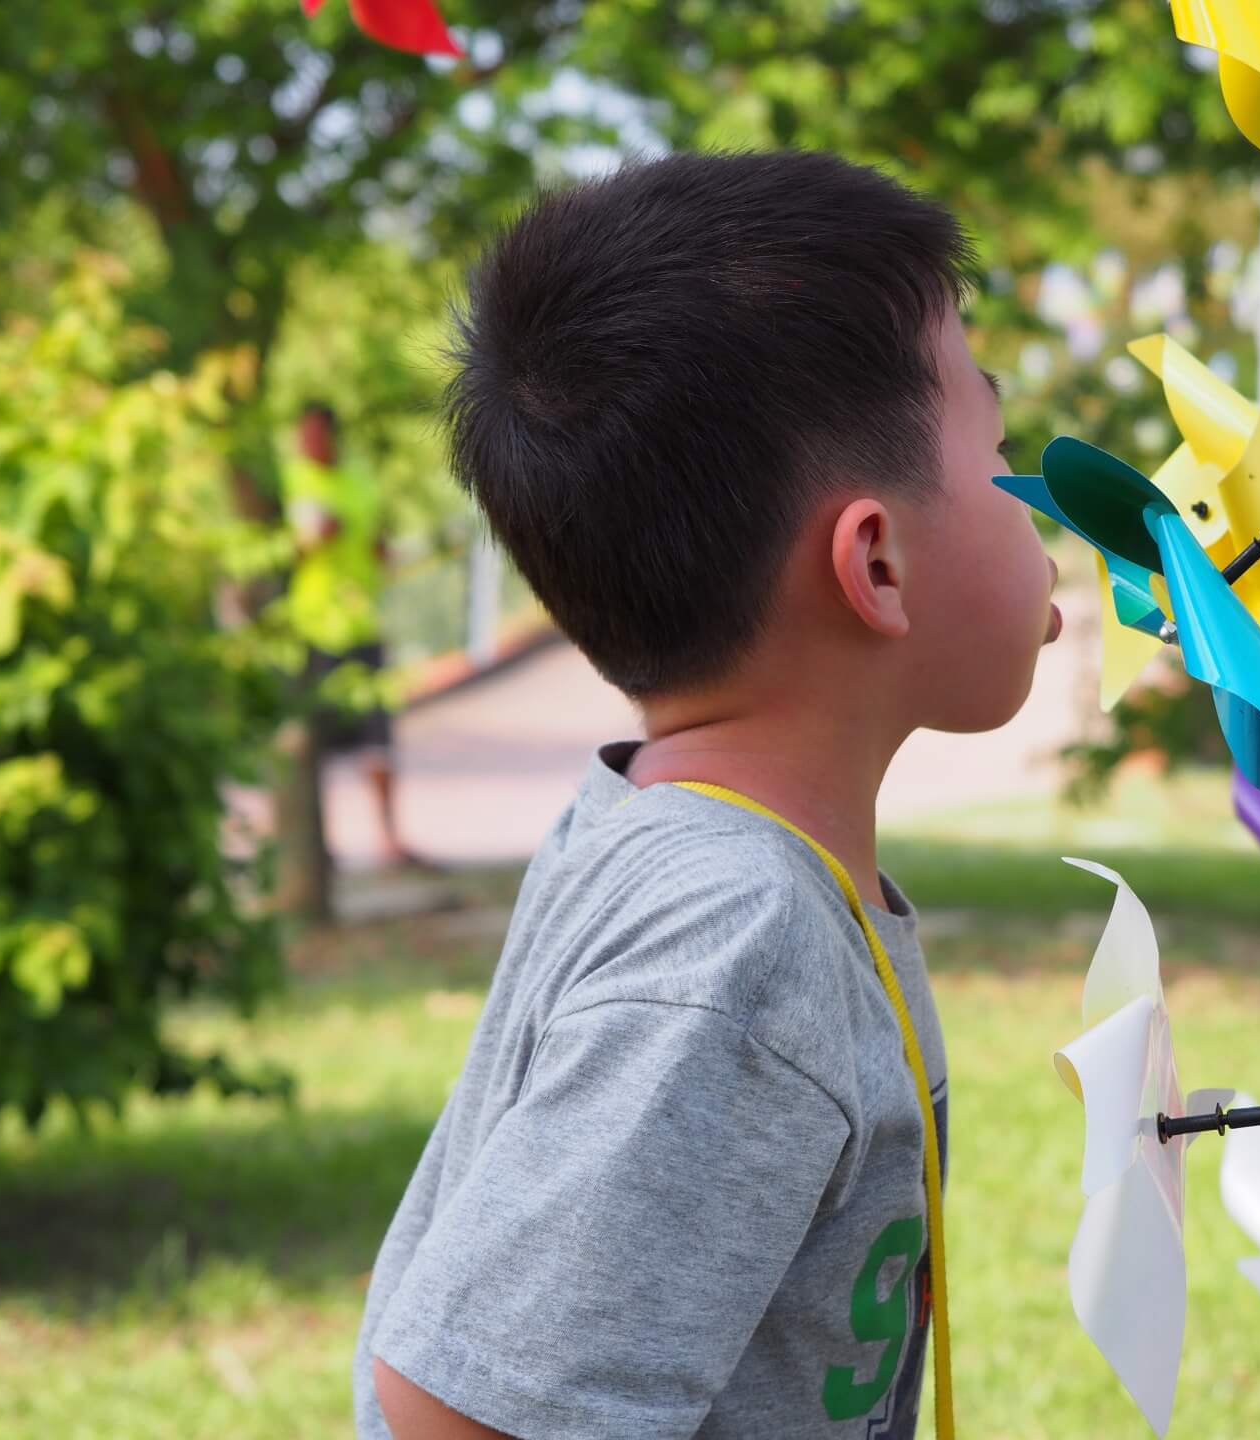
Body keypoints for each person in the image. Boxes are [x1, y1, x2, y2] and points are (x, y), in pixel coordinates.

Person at [351, 150, 1061, 1440]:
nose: (1044, 504)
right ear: (877, 564)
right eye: (1003, 449)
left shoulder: (693, 848)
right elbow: (463, 1415)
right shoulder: (735, 934)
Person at [283, 401, 419, 869]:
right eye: (303, 435)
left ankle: (389, 838)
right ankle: (319, 846)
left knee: (377, 736)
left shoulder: (359, 477)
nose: (309, 444)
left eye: (315, 434)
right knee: (314, 741)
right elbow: (288, 548)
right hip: (315, 628)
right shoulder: (292, 480)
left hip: (362, 623)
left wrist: (379, 549)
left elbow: (375, 535)